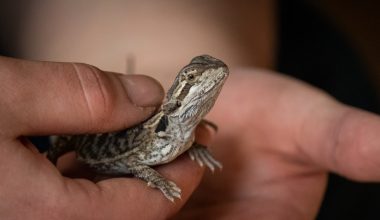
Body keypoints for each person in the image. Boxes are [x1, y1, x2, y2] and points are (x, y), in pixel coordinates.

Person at [2, 55, 380, 219]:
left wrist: (195, 146)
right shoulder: (158, 136)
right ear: (178, 95)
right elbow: (135, 160)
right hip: (75, 146)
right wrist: (157, 181)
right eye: (191, 79)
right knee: (64, 142)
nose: (207, 77)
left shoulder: (182, 132)